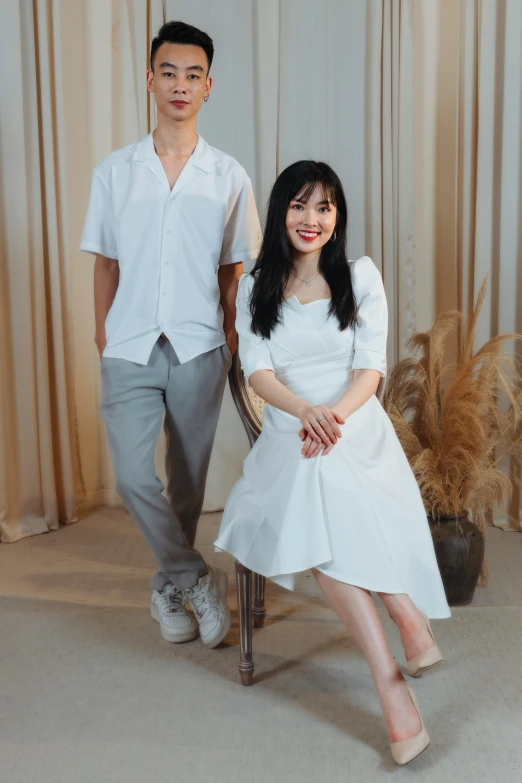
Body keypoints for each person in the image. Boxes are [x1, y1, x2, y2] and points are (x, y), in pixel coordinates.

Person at [215, 160, 451, 765]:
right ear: (280, 212)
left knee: (320, 491)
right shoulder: (255, 287)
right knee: (312, 482)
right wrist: (305, 414)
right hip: (293, 427)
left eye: (324, 207)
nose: (311, 219)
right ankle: (397, 642)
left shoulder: (359, 277)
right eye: (299, 206)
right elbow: (258, 373)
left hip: (354, 422)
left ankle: (395, 669)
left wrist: (334, 418)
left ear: (337, 216)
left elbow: (370, 370)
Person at [80, 21, 261, 648]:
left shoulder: (228, 175)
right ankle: (194, 576)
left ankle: (167, 591)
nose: (179, 85)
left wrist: (232, 335)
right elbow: (105, 262)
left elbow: (232, 269)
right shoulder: (114, 172)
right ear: (150, 79)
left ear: (208, 86)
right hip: (129, 345)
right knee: (133, 477)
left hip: (199, 346)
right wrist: (103, 335)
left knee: (187, 481)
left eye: (192, 75)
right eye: (168, 72)